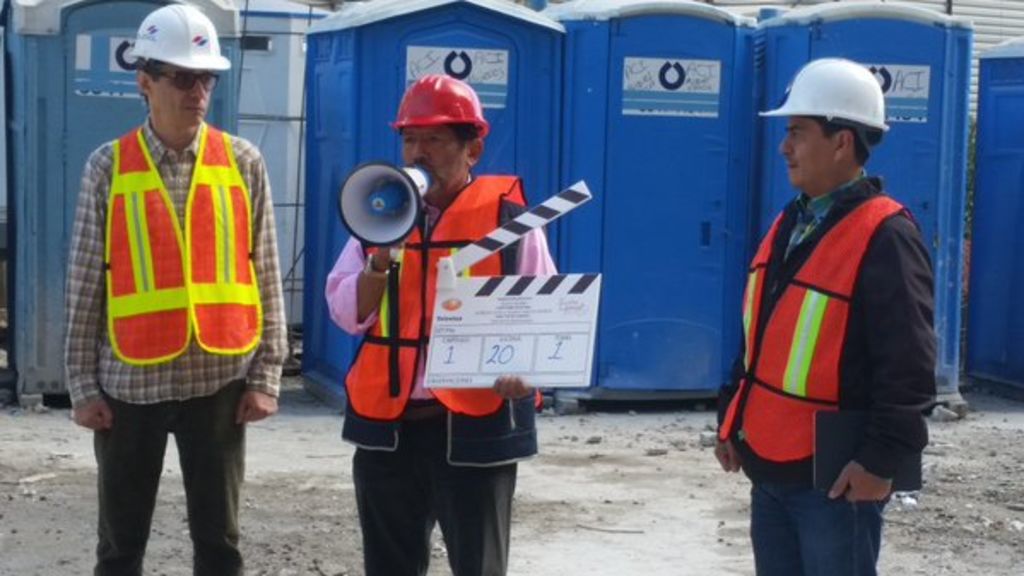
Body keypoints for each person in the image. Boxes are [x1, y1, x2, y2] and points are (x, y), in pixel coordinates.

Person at [64, 5, 287, 575]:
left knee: (220, 544)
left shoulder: (242, 162)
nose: (198, 92)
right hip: (130, 383)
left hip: (218, 377)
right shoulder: (108, 167)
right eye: (183, 78)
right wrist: (82, 387)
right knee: (120, 546)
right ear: (145, 81)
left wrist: (266, 376)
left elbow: (265, 271)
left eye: (207, 78)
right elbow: (85, 281)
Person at [325, 74, 556, 576]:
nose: (417, 152)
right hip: (390, 426)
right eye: (409, 139)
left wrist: (527, 372)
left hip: (476, 425)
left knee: (479, 565)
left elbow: (543, 312)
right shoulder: (379, 212)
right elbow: (346, 312)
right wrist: (379, 258)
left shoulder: (510, 221)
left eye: (433, 139)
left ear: (473, 149)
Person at [715, 58, 936, 576]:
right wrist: (732, 418)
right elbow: (759, 333)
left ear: (842, 142)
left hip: (837, 481)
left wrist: (880, 462)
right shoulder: (792, 220)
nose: (783, 147)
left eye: (797, 132)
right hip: (770, 465)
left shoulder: (886, 235)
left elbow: (909, 364)